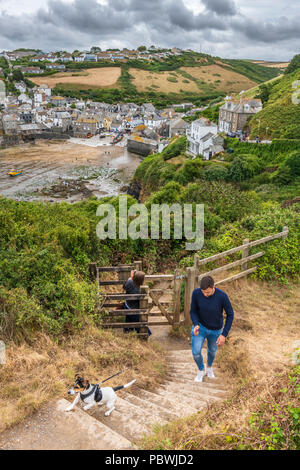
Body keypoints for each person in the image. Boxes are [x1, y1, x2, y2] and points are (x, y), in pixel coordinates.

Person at [190, 275, 234, 382]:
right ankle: (201, 370)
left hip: (216, 330)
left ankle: (209, 368)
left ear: (213, 287)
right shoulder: (196, 293)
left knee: (212, 352)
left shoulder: (222, 296)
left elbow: (230, 314)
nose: (205, 295)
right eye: (203, 292)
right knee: (196, 352)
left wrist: (224, 334)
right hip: (200, 327)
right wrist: (195, 324)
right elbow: (193, 311)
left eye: (208, 292)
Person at [123, 270, 152, 336]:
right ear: (140, 281)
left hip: (127, 305)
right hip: (134, 310)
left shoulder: (130, 281)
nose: (144, 280)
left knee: (128, 323)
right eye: (143, 279)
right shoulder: (139, 291)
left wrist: (131, 277)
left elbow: (124, 286)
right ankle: (145, 337)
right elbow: (143, 302)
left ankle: (127, 333)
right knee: (143, 329)